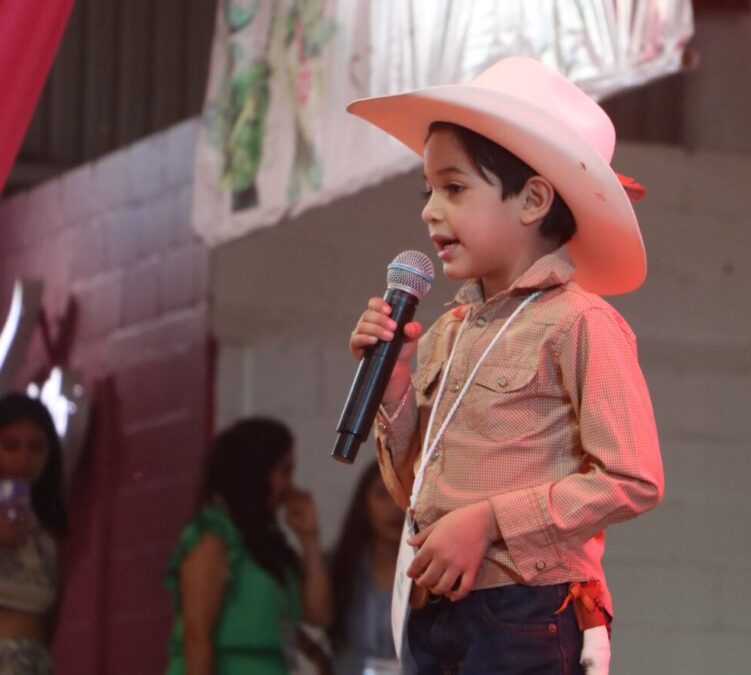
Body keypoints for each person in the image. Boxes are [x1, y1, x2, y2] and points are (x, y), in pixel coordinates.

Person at [345, 56, 664, 674]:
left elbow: (635, 477)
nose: (430, 211)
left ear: (534, 199)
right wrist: (396, 385)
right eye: (428, 190)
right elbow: (417, 488)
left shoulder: (579, 322)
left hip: (525, 607)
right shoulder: (447, 331)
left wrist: (490, 521)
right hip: (435, 608)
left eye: (455, 188)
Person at [164, 417, 332, 675]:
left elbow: (318, 614)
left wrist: (309, 538)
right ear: (256, 470)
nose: (290, 484)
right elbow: (196, 636)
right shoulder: (213, 535)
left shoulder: (267, 547)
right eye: (284, 471)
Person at [0, 393, 68, 675]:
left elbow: (51, 621)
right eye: (10, 446)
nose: (22, 459)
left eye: (36, 448)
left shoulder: (48, 531)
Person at [328, 460, 404, 673]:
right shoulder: (340, 565)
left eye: (402, 496)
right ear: (364, 503)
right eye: (383, 495)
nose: (395, 507)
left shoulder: (429, 572)